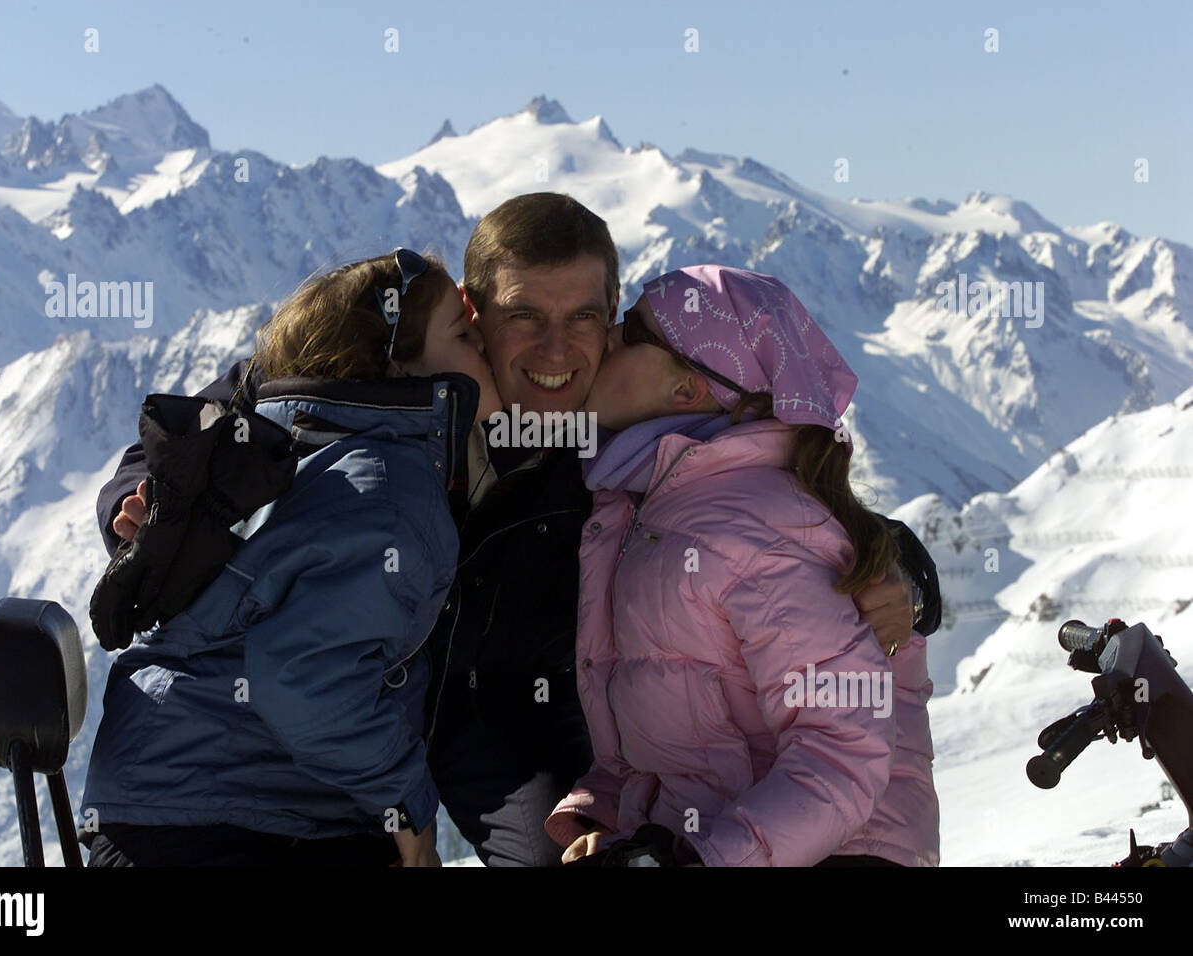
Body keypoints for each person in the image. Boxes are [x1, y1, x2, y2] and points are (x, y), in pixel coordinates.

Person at [97, 192, 942, 866]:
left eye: (585, 319)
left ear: (614, 321)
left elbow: (777, 491)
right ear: (472, 312)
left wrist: (897, 568)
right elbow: (208, 429)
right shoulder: (377, 365)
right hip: (335, 721)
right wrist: (137, 502)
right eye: (524, 315)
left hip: (520, 718)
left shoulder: (622, 427)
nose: (558, 348)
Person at [80, 249, 500, 866]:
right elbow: (302, 682)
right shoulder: (389, 489)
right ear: (399, 366)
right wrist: (409, 809)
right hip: (238, 825)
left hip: (156, 800)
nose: (484, 346)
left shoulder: (275, 449)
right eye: (464, 335)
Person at [545, 266, 941, 866]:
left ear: (687, 390)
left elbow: (840, 751)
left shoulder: (754, 528)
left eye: (630, 331)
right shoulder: (648, 503)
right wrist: (616, 819)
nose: (607, 340)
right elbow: (691, 719)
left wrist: (697, 860)